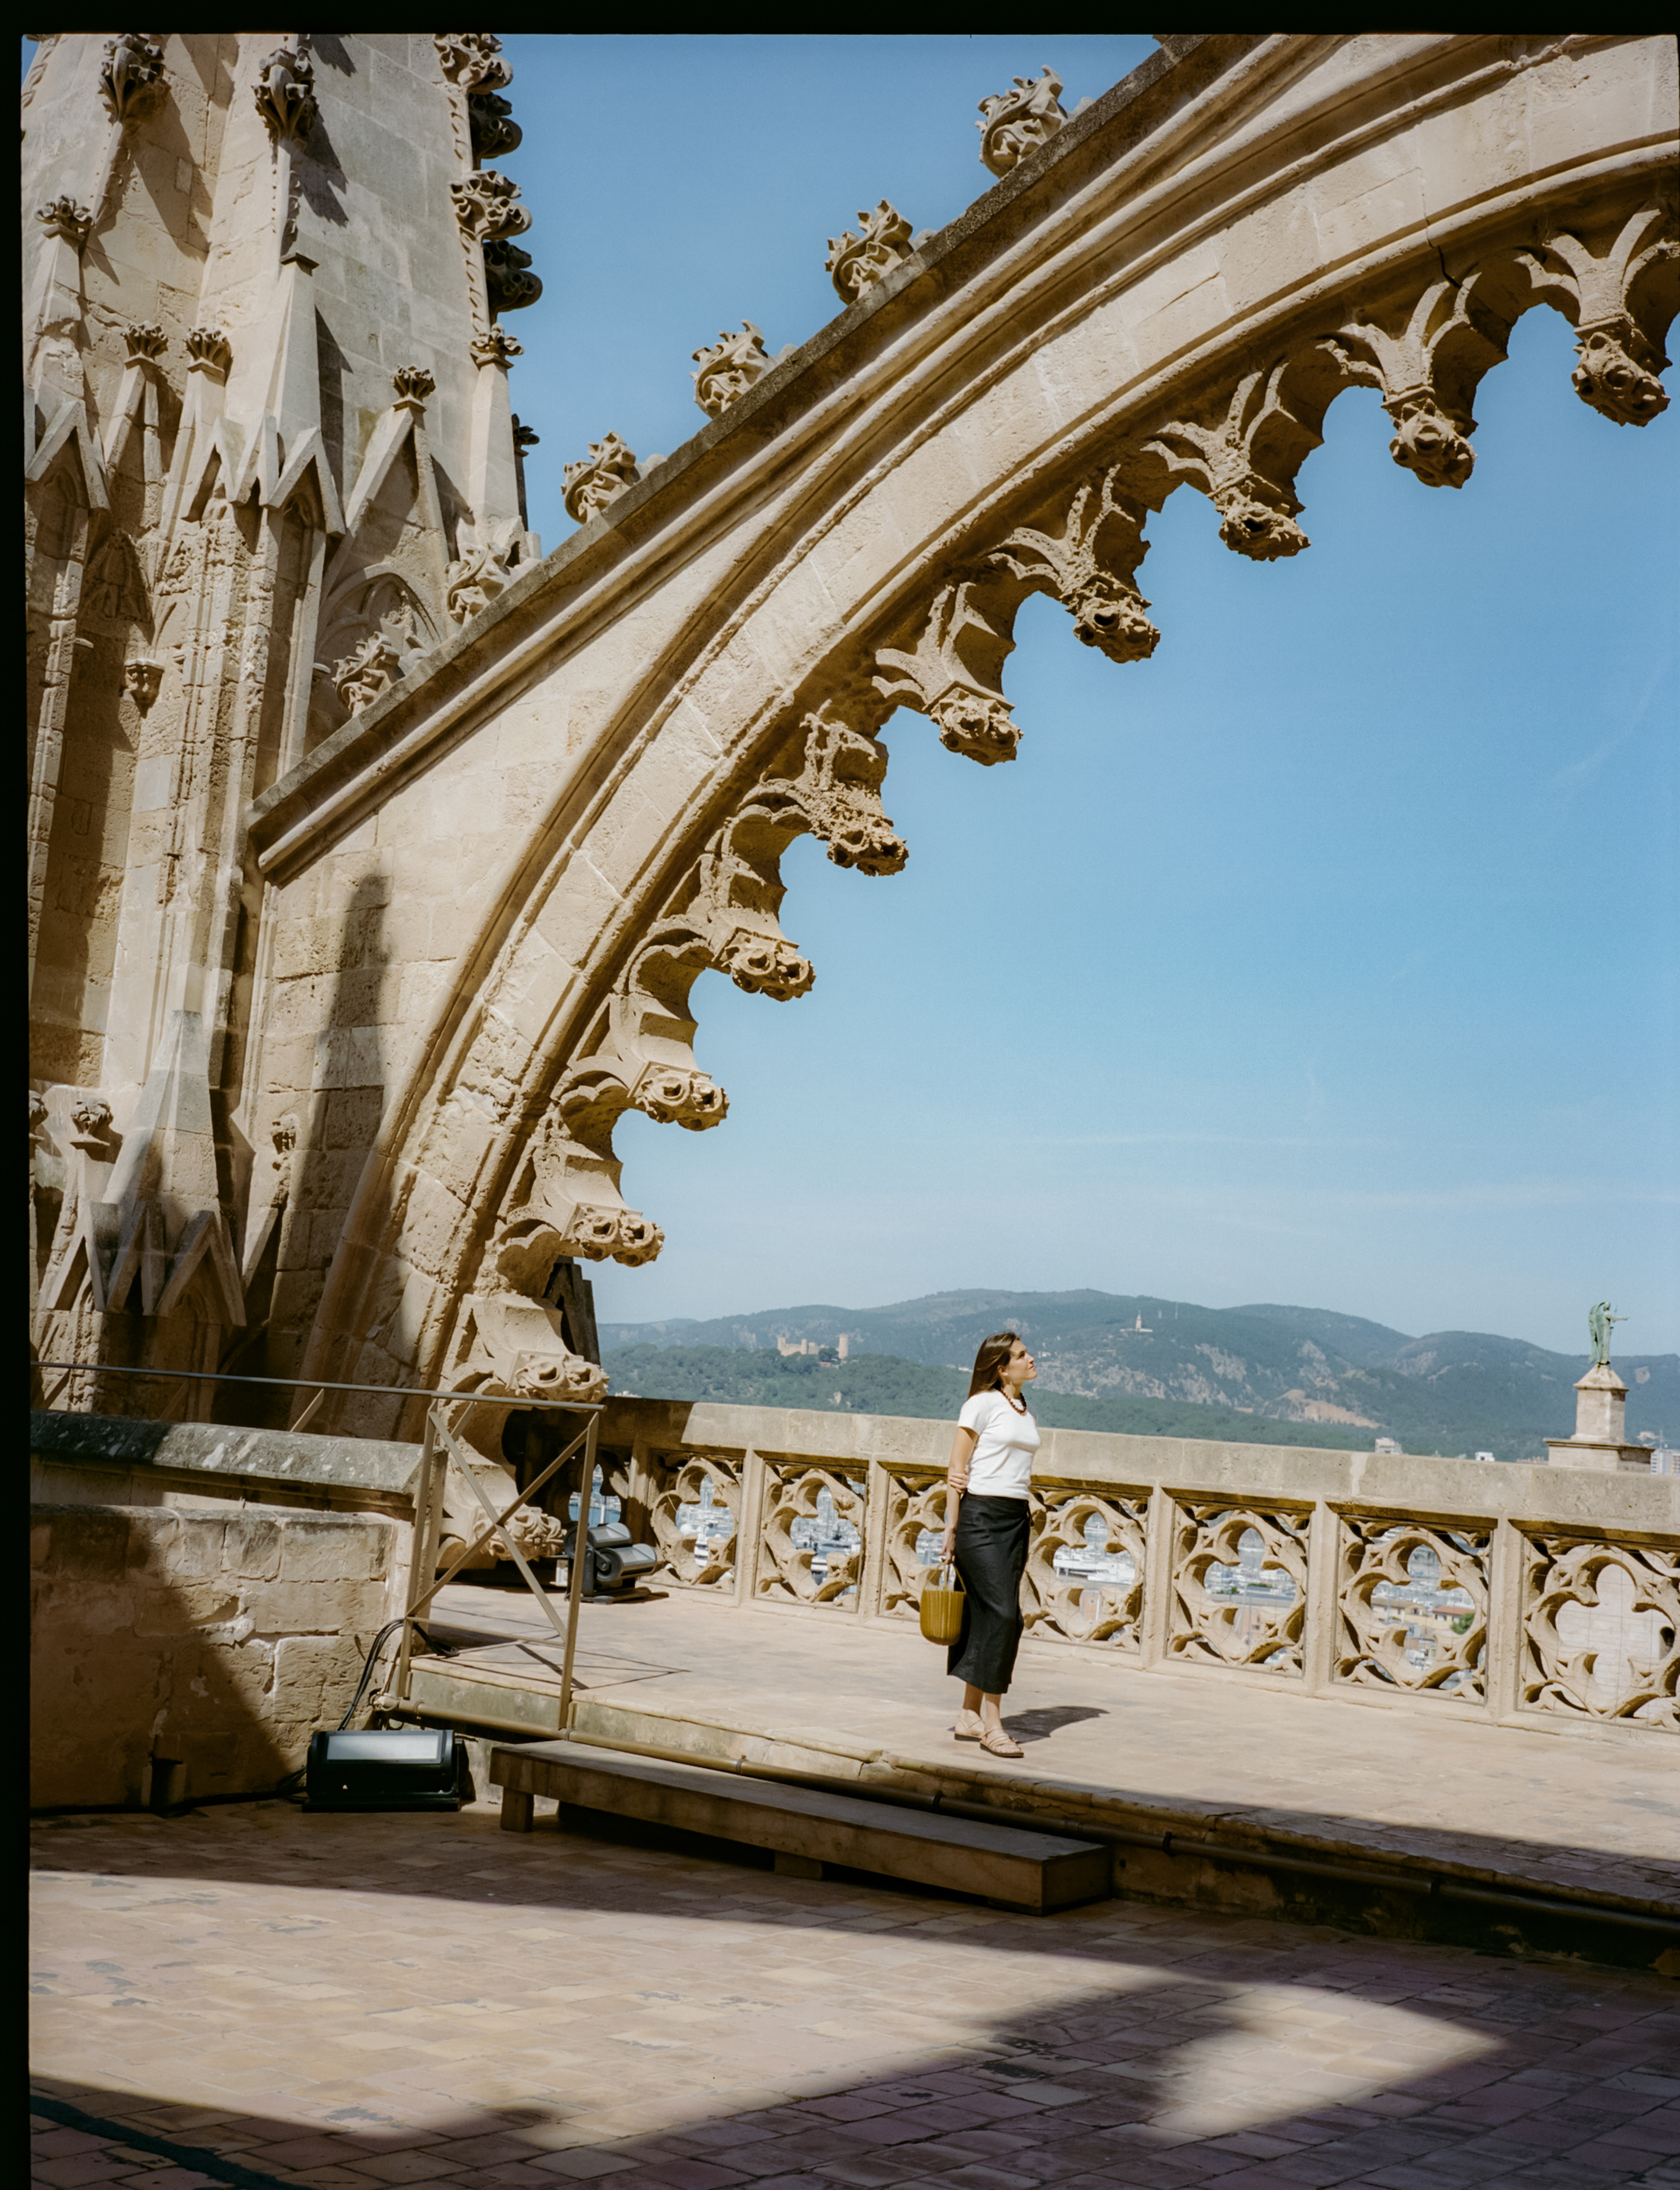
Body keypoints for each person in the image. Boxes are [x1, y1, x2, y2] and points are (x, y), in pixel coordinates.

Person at [939, 1329, 1039, 1758]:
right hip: (980, 1520)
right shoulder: (980, 1404)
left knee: (988, 1616)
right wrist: (951, 1528)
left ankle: (969, 1714)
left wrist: (1028, 1499)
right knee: (1005, 1616)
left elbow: (1011, 1466)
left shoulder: (1023, 1409)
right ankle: (993, 1726)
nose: (1031, 1358)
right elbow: (957, 1470)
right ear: (1001, 1367)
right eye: (1021, 1355)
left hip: (1015, 1520)